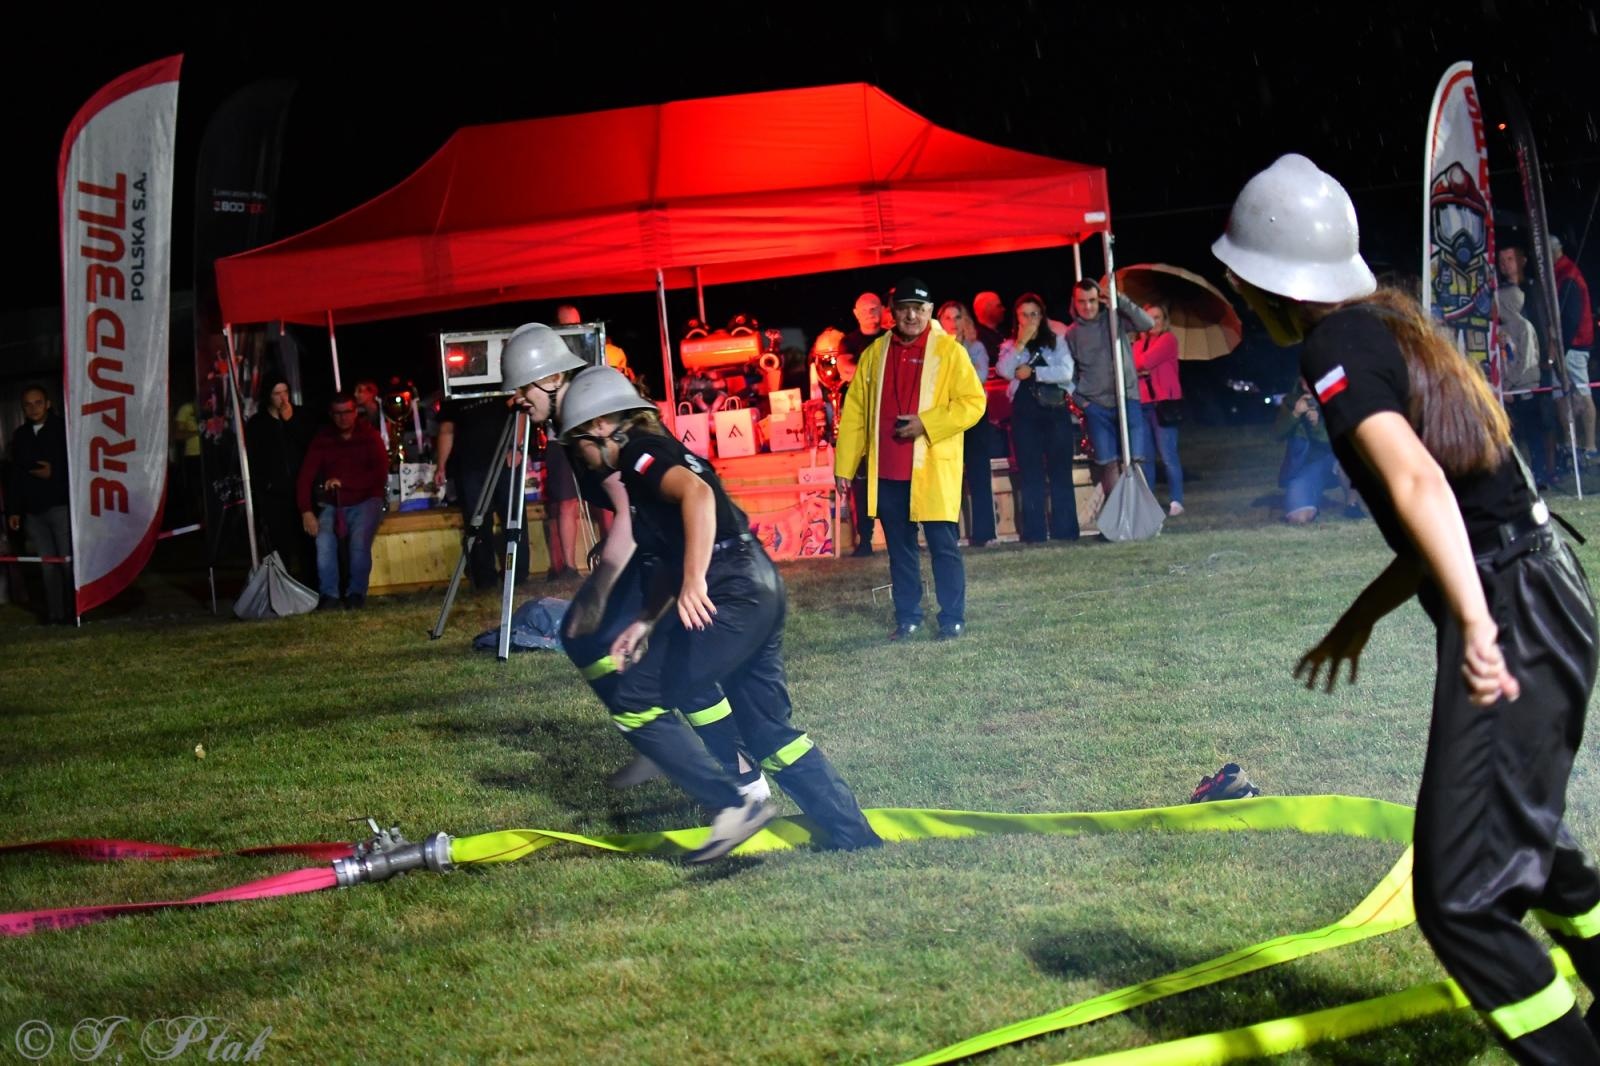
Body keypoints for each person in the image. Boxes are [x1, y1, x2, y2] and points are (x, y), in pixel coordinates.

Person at [1216, 152, 1600, 1063]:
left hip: (1511, 608)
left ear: (1269, 276)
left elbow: (1420, 482)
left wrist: (1472, 623)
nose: (1233, 290)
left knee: (1460, 899)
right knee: (1529, 845)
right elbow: (1459, 511)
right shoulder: (1388, 323)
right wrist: (1369, 612)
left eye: (1239, 275)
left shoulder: (1331, 346)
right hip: (1544, 592)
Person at [559, 366, 881, 861]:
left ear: (603, 428)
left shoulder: (643, 455)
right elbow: (669, 549)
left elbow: (699, 496)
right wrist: (646, 620)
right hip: (757, 586)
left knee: (635, 697)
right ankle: (854, 836)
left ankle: (734, 806)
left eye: (577, 441)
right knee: (769, 732)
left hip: (731, 589)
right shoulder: (646, 462)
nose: (578, 455)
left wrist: (694, 581)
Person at [834, 277, 986, 641]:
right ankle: (908, 618)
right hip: (888, 472)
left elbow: (973, 403)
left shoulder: (949, 351)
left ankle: (951, 618)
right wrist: (844, 465)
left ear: (929, 311)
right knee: (900, 553)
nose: (912, 315)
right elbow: (854, 412)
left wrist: (926, 424)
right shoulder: (874, 354)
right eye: (904, 308)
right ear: (893, 313)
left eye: (918, 308)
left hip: (931, 471)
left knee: (943, 548)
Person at [995, 292, 1079, 542]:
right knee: (1030, 472)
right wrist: (1020, 345)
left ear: (1042, 316)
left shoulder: (1057, 341)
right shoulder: (1010, 346)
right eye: (1024, 314)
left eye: (1034, 313)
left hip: (1054, 411)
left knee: (1060, 471)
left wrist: (1034, 372)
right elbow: (1004, 371)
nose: (1030, 319)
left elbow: (1066, 371)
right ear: (1017, 318)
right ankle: (1035, 533)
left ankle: (1065, 531)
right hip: (1025, 414)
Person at [296, 392, 390, 609]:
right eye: (338, 413)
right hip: (333, 503)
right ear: (331, 415)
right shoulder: (323, 440)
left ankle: (356, 594)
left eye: (347, 412)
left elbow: (379, 474)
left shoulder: (369, 436)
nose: (343, 418)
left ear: (355, 412)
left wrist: (344, 482)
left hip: (366, 499)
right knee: (323, 540)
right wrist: (306, 511)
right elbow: (305, 477)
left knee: (359, 542)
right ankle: (329, 595)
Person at [436, 385, 531, 591]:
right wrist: (441, 465)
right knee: (477, 524)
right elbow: (447, 430)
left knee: (513, 519)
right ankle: (485, 579)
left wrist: (515, 446)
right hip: (470, 467)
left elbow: (520, 413)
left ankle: (517, 575)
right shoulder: (453, 389)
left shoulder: (499, 381)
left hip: (505, 463)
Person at [1064, 280, 1154, 495]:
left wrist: (1120, 300)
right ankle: (1119, 519)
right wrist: (1084, 403)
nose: (1088, 307)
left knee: (1133, 460)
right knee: (1108, 463)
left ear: (1100, 300)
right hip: (1096, 407)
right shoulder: (1071, 334)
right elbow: (1069, 375)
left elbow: (1147, 323)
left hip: (1126, 398)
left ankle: (1139, 515)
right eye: (1082, 302)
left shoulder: (1115, 320)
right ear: (1074, 303)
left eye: (1092, 301)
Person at [5, 386, 72, 624]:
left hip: (61, 506)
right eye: (28, 404)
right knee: (47, 566)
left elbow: (75, 464)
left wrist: (54, 473)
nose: (33, 408)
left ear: (48, 403)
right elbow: (17, 474)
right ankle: (56, 615)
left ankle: (75, 612)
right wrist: (13, 510)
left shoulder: (64, 428)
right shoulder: (20, 435)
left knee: (67, 563)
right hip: (33, 511)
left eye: (38, 402)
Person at [937, 299, 997, 547]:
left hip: (973, 416)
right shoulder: (934, 352)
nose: (953, 323)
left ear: (966, 321)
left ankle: (985, 533)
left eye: (957, 317)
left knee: (979, 474)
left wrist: (959, 351)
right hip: (947, 416)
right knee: (947, 478)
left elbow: (978, 377)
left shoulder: (977, 348)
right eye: (948, 318)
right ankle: (949, 535)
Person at [244, 379, 313, 580]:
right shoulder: (258, 423)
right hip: (275, 493)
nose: (283, 398)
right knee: (280, 542)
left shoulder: (301, 415)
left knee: (306, 541)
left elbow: (309, 445)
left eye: (285, 391)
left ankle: (310, 583)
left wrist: (290, 421)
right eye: (277, 393)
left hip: (301, 489)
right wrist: (265, 485)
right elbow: (256, 458)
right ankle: (284, 584)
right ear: (268, 396)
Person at [838, 291, 886, 556]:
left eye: (875, 308)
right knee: (862, 483)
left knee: (893, 481)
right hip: (859, 422)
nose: (871, 313)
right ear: (856, 313)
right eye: (865, 309)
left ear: (883, 310)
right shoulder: (848, 342)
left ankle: (901, 537)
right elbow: (846, 371)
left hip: (888, 421)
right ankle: (864, 540)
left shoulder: (892, 338)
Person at [1133, 302, 1186, 516]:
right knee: (1146, 457)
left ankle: (1176, 500)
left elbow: (1144, 362)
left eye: (1157, 317)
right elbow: (1133, 364)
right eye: (1148, 317)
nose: (1153, 322)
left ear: (1164, 321)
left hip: (1164, 404)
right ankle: (1149, 501)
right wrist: (1139, 367)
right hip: (1143, 403)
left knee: (1168, 455)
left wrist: (1140, 367)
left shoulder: (1168, 340)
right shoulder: (1138, 343)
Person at [1551, 236, 1596, 460]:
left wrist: (1562, 349)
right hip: (1566, 344)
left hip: (1575, 344)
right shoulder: (1559, 273)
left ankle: (1589, 446)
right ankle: (1571, 443)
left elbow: (1570, 316)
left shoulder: (1567, 274)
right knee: (1562, 394)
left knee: (1582, 392)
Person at [1272, 379, 1338, 524]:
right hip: (1306, 467)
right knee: (1299, 518)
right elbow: (1277, 434)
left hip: (1337, 460)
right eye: (1304, 382)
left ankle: (1353, 505)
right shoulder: (1292, 402)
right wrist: (1295, 414)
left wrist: (1316, 424)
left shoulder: (1337, 398)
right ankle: (1310, 497)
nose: (1307, 387)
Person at [555, 303, 633, 379]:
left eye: (576, 325)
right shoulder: (551, 354)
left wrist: (611, 372)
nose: (573, 333)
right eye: (566, 328)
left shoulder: (610, 352)